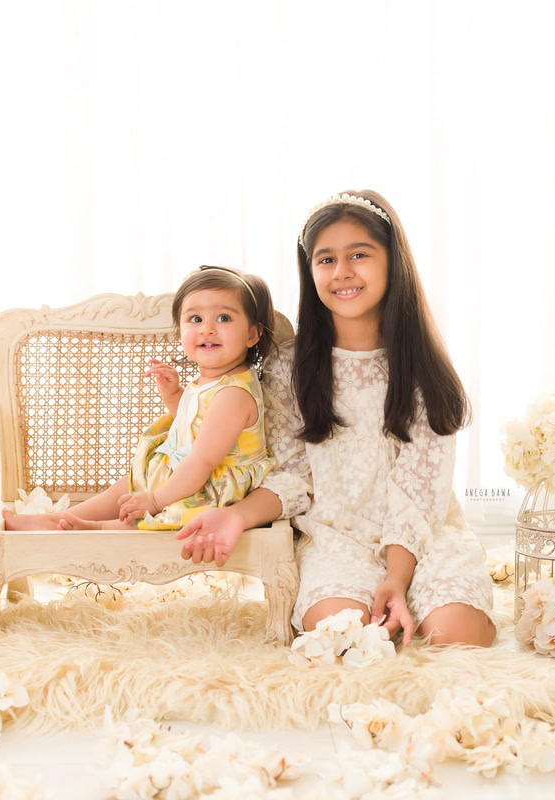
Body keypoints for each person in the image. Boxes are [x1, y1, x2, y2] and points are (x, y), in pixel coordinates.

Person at [175, 191, 496, 648]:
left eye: (359, 255)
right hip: (334, 539)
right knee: (340, 636)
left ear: (393, 261)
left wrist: (397, 581)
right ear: (310, 271)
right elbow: (293, 478)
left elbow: (419, 489)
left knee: (458, 635)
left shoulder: (422, 367)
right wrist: (234, 516)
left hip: (422, 536)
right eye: (325, 259)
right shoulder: (290, 367)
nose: (342, 271)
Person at [2, 265, 277, 532]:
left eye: (224, 318)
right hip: (186, 473)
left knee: (159, 511)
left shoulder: (233, 394)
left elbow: (203, 460)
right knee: (131, 484)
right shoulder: (215, 379)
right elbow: (195, 422)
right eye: (195, 319)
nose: (207, 329)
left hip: (213, 488)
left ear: (252, 334)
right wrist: (174, 394)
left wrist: (155, 500)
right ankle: (63, 519)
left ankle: (95, 527)